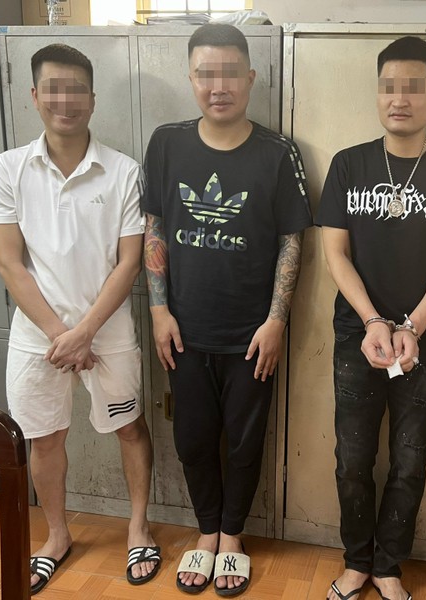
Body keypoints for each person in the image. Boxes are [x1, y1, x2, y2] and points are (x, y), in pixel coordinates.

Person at [317, 36, 426, 600]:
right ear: (377, 93)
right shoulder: (349, 164)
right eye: (389, 87)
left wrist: (411, 326)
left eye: (413, 88)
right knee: (352, 459)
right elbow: (335, 253)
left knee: (411, 462)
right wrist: (374, 321)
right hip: (357, 335)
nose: (400, 98)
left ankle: (388, 566)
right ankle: (356, 563)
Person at [0, 44, 160, 594]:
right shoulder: (9, 168)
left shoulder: (123, 171)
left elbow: (130, 262)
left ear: (93, 98)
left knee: (129, 427)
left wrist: (85, 333)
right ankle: (56, 535)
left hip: (108, 332)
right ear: (34, 95)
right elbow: (8, 263)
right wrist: (62, 335)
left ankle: (138, 528)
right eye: (53, 89)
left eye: (76, 89)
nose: (65, 100)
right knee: (45, 439)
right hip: (38, 336)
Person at [141, 23, 312, 597]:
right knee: (192, 439)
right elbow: (155, 227)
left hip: (251, 334)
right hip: (183, 332)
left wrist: (277, 320)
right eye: (206, 74)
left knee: (244, 440)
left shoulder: (277, 152)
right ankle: (206, 531)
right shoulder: (167, 143)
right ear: (191, 79)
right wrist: (159, 311)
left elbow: (292, 241)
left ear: (251, 77)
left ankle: (232, 535)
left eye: (230, 73)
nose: (219, 86)